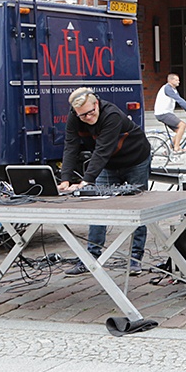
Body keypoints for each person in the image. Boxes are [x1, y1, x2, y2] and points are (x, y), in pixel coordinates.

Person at [58, 87, 152, 276]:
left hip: (135, 159)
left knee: (137, 209)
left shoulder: (112, 115)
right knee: (97, 208)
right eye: (82, 116)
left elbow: (102, 150)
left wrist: (86, 181)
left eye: (91, 113)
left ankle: (135, 259)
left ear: (97, 103)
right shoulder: (75, 118)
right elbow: (71, 146)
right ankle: (91, 258)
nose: (88, 118)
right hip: (109, 164)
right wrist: (65, 179)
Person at [154, 73, 186, 153]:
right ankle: (176, 148)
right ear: (170, 80)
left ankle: (168, 150)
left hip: (166, 113)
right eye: (176, 80)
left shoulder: (173, 89)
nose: (179, 81)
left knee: (179, 131)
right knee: (182, 125)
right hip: (163, 113)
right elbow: (178, 99)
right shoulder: (167, 88)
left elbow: (180, 100)